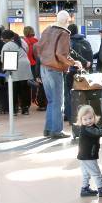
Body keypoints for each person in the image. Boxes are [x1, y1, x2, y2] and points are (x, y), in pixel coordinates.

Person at [35, 11, 81, 139]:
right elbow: (61, 54)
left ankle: (48, 129)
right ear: (67, 20)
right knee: (57, 101)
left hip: (44, 67)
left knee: (51, 101)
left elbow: (37, 48)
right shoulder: (64, 33)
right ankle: (56, 130)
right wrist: (74, 62)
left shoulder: (47, 30)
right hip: (54, 69)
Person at [75, 104, 102, 198]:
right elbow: (97, 133)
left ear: (94, 117)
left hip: (83, 156)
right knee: (96, 172)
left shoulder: (90, 127)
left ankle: (85, 189)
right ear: (81, 120)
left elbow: (97, 130)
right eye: (85, 119)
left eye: (90, 118)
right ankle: (101, 189)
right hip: (88, 156)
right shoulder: (86, 129)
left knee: (86, 173)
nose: (88, 121)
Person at [0, 30, 33, 115]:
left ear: (5, 38)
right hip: (25, 65)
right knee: (25, 88)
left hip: (14, 66)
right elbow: (27, 50)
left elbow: (3, 59)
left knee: (13, 88)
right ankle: (25, 109)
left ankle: (14, 109)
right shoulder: (22, 41)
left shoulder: (7, 45)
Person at [66, 24, 93, 122]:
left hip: (72, 71)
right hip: (85, 71)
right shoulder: (86, 42)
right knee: (84, 94)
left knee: (69, 94)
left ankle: (71, 116)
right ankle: (85, 115)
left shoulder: (69, 42)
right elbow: (90, 56)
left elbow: (71, 56)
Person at [23, 26, 46, 112]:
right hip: (35, 63)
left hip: (26, 64)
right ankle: (35, 98)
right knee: (37, 83)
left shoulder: (24, 41)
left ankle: (29, 100)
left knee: (28, 82)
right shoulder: (37, 41)